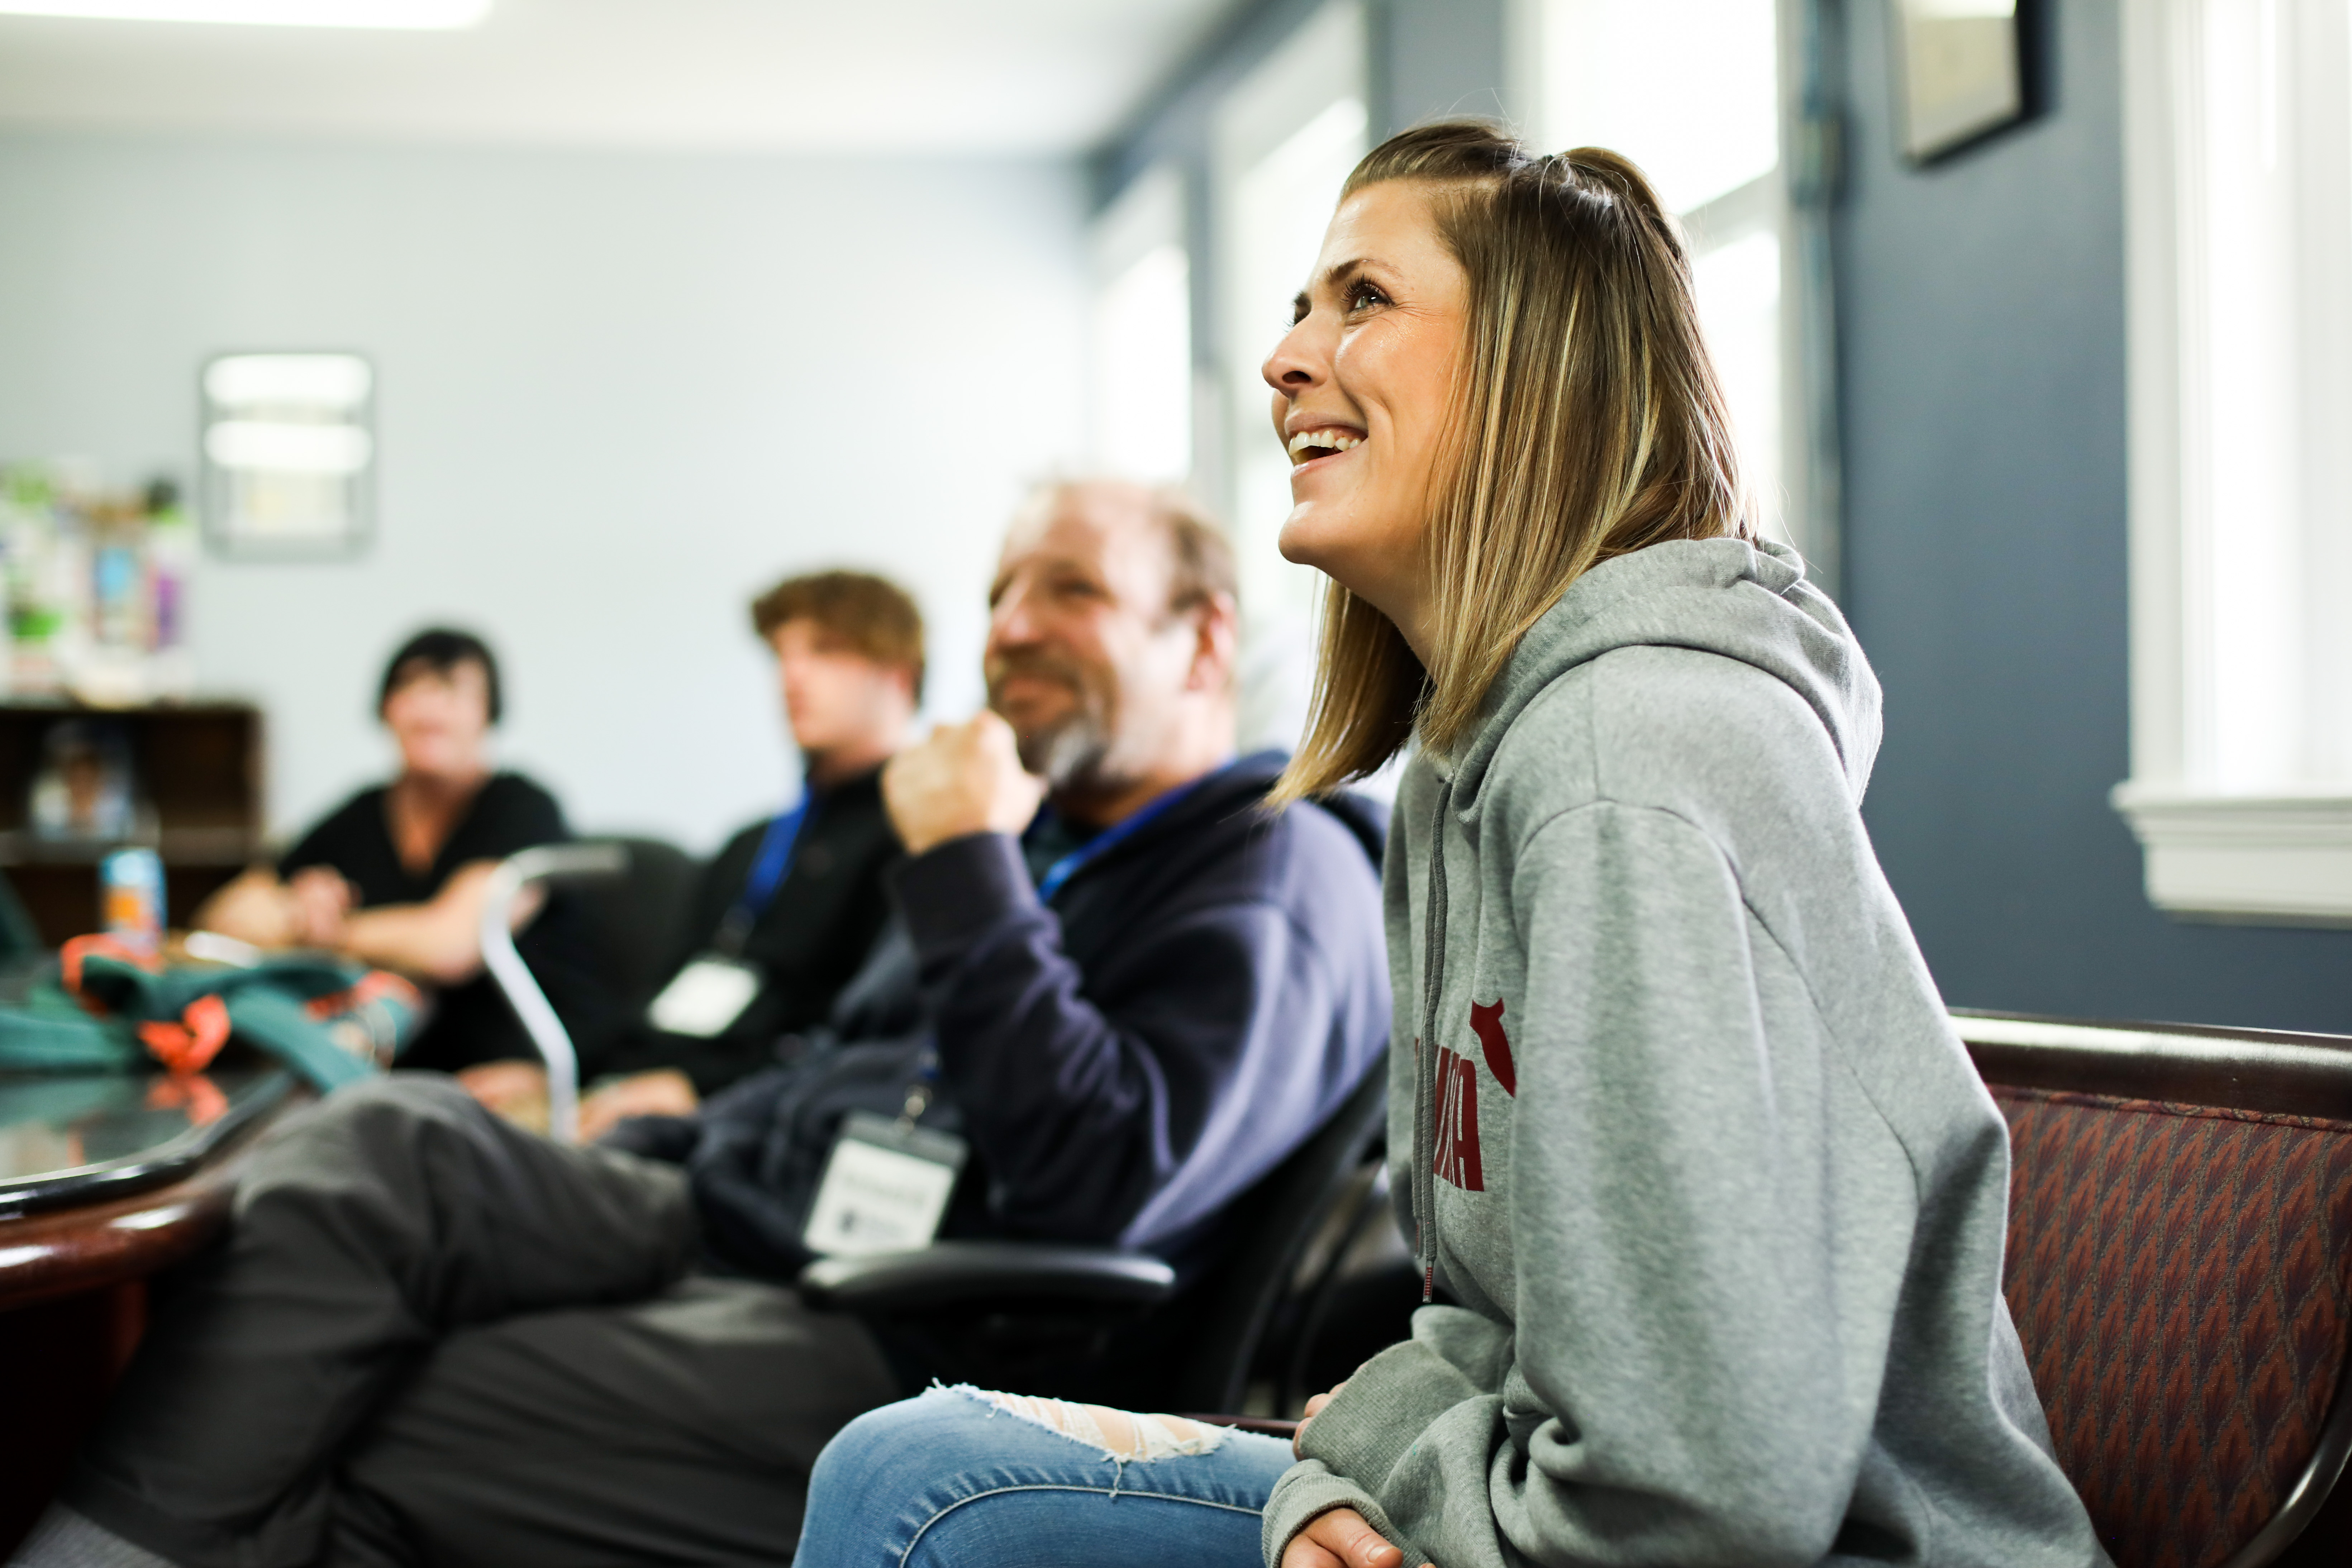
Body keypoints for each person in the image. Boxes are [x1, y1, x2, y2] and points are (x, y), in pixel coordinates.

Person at [791, 123, 2108, 1568]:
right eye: (1298, 305)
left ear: (1534, 376)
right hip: (1548, 1504)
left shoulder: (1629, 759)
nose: (1285, 357)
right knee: (913, 1463)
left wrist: (1379, 1480)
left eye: (1361, 298)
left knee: (920, 1487)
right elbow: (1471, 1325)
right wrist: (1341, 1471)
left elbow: (1696, 1499)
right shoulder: (1466, 763)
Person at [11, 480, 1389, 1568]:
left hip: (920, 1330)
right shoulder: (1049, 844)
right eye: (1000, 589)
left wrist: (965, 858)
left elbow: (1106, 1175)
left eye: (1071, 588)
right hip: (733, 1198)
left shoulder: (1271, 867)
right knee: (380, 1140)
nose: (1009, 624)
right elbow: (842, 1065)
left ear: (1205, 635)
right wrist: (678, 1122)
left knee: (389, 1407)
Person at [473, 569, 925, 1140]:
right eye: (781, 655)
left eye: (826, 651)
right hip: (627, 1094)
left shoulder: (917, 840)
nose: (793, 676)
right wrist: (553, 1070)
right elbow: (662, 999)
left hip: (744, 1121)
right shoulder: (750, 843)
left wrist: (703, 1088)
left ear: (899, 673)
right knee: (431, 1122)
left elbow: (866, 1041)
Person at [192, 628, 610, 1078]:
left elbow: (452, 945)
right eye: (412, 688)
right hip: (402, 1067)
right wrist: (296, 909)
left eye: (453, 691)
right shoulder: (359, 815)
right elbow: (222, 921)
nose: (431, 710)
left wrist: (327, 935)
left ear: (488, 714)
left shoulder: (522, 807)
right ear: (387, 709)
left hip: (524, 1062)